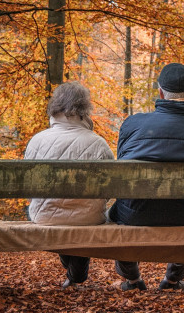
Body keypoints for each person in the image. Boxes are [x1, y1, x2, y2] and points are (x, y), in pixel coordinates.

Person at [108, 62, 184, 292]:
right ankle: (172, 281)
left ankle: (132, 280)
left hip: (135, 215)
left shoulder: (132, 125)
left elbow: (122, 166)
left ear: (160, 92)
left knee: (121, 209)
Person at [25, 81, 114, 289]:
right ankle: (77, 276)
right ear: (85, 109)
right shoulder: (98, 143)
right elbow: (110, 189)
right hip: (89, 217)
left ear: (55, 107)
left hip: (44, 215)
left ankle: (74, 275)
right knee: (81, 218)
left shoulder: (36, 141)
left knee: (64, 219)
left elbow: (29, 187)